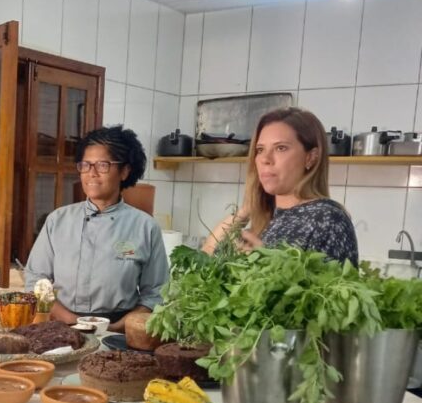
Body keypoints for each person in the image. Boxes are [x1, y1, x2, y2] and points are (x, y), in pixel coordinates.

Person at [25, 125, 169, 333]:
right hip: (61, 325)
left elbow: (155, 293)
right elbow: (36, 280)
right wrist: (70, 320)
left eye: (103, 165)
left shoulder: (145, 227)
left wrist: (118, 327)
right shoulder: (58, 220)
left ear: (124, 171)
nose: (91, 174)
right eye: (85, 165)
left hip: (120, 331)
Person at [201, 107, 358, 265]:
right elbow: (205, 258)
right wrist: (247, 209)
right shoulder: (267, 220)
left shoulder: (327, 219)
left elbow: (330, 281)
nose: (265, 159)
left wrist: (265, 263)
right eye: (260, 150)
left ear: (311, 157)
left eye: (280, 148)